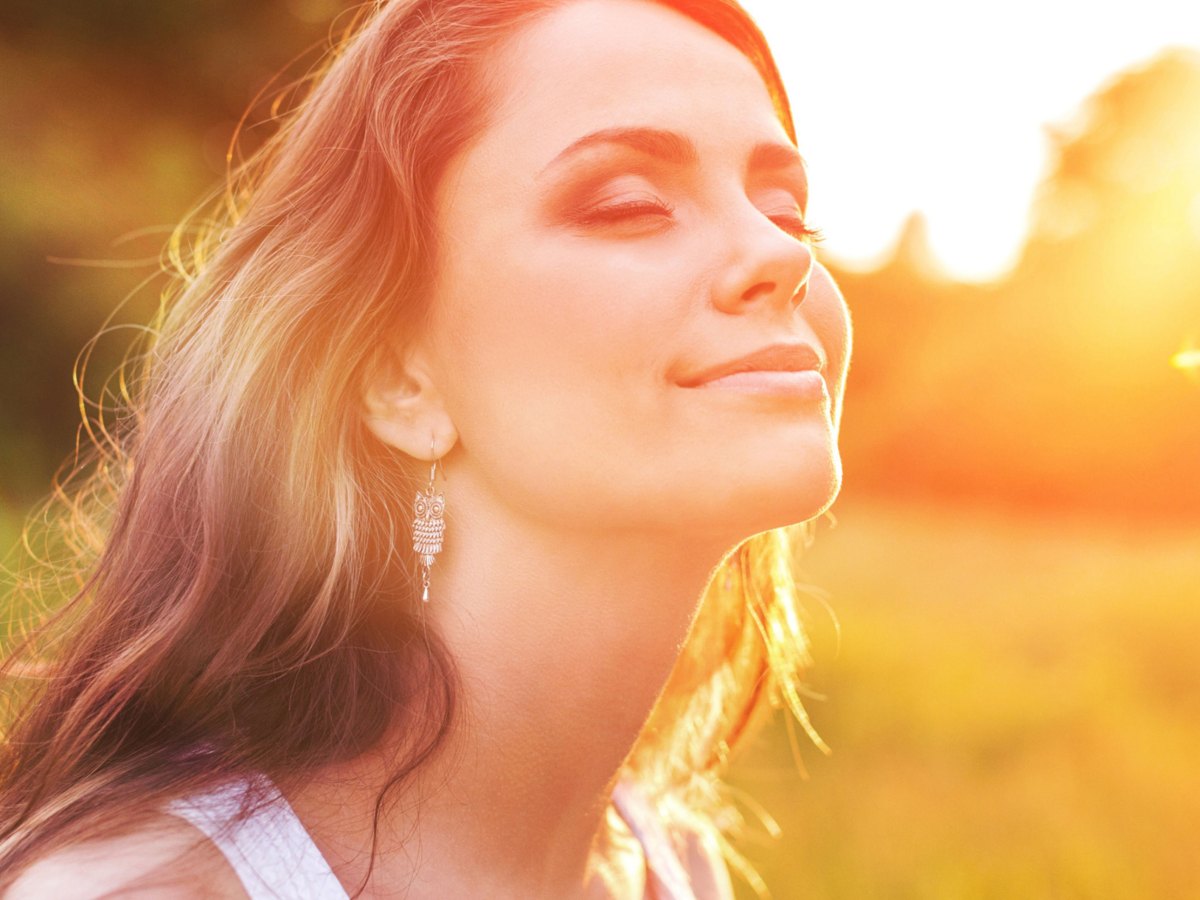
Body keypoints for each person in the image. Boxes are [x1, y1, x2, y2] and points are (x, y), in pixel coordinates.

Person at [0, 0, 852, 896]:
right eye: (628, 205)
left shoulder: (668, 865)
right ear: (396, 378)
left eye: (789, 212)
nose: (778, 254)